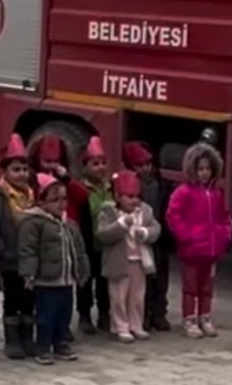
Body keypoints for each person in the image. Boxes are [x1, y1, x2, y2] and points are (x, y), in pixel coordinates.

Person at [18, 174, 90, 365]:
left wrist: (82, 270)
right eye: (55, 199)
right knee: (46, 316)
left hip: (67, 279)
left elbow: (79, 249)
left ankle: (60, 343)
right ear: (42, 202)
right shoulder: (34, 223)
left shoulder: (70, 224)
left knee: (64, 314)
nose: (61, 204)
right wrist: (29, 273)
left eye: (64, 199)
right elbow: (28, 250)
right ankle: (43, 346)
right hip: (46, 280)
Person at [167, 137, 232, 339]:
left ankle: (205, 317)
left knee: (207, 288)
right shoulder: (183, 192)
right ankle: (189, 319)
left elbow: (224, 217)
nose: (204, 173)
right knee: (190, 287)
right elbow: (173, 216)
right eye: (201, 169)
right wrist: (187, 237)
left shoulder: (217, 194)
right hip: (192, 250)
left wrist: (224, 236)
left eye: (208, 169)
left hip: (211, 251)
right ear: (192, 169)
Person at [96, 169, 161, 342]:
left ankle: (136, 325)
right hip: (118, 262)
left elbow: (156, 229)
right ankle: (120, 326)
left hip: (139, 261)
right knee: (118, 297)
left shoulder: (145, 211)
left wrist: (145, 233)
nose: (135, 200)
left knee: (137, 296)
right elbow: (103, 234)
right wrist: (121, 225)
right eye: (130, 196)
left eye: (137, 196)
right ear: (118, 197)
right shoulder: (108, 212)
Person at [0, 134, 35, 360]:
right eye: (16, 169)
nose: (22, 174)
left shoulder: (32, 196)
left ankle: (28, 337)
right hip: (10, 259)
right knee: (12, 299)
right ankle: (12, 340)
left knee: (29, 298)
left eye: (25, 169)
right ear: (5, 171)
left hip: (30, 258)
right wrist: (2, 249)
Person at [121, 141, 172, 332]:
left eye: (148, 164)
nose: (145, 169)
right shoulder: (127, 187)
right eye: (139, 165)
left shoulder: (161, 185)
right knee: (141, 282)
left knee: (160, 278)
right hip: (136, 239)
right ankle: (141, 315)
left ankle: (159, 312)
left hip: (157, 239)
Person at [74, 136, 113, 335]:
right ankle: (84, 315)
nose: (100, 167)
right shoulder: (81, 189)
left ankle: (104, 313)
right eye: (95, 164)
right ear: (85, 167)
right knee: (85, 281)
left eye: (103, 163)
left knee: (104, 281)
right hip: (88, 242)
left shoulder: (111, 187)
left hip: (106, 244)